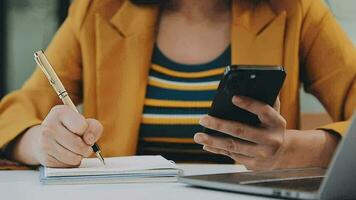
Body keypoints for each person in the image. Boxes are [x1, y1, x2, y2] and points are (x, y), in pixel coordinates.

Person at [0, 0, 355, 170]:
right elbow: (17, 112)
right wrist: (40, 144)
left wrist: (294, 150)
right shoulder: (98, 10)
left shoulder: (297, 10)